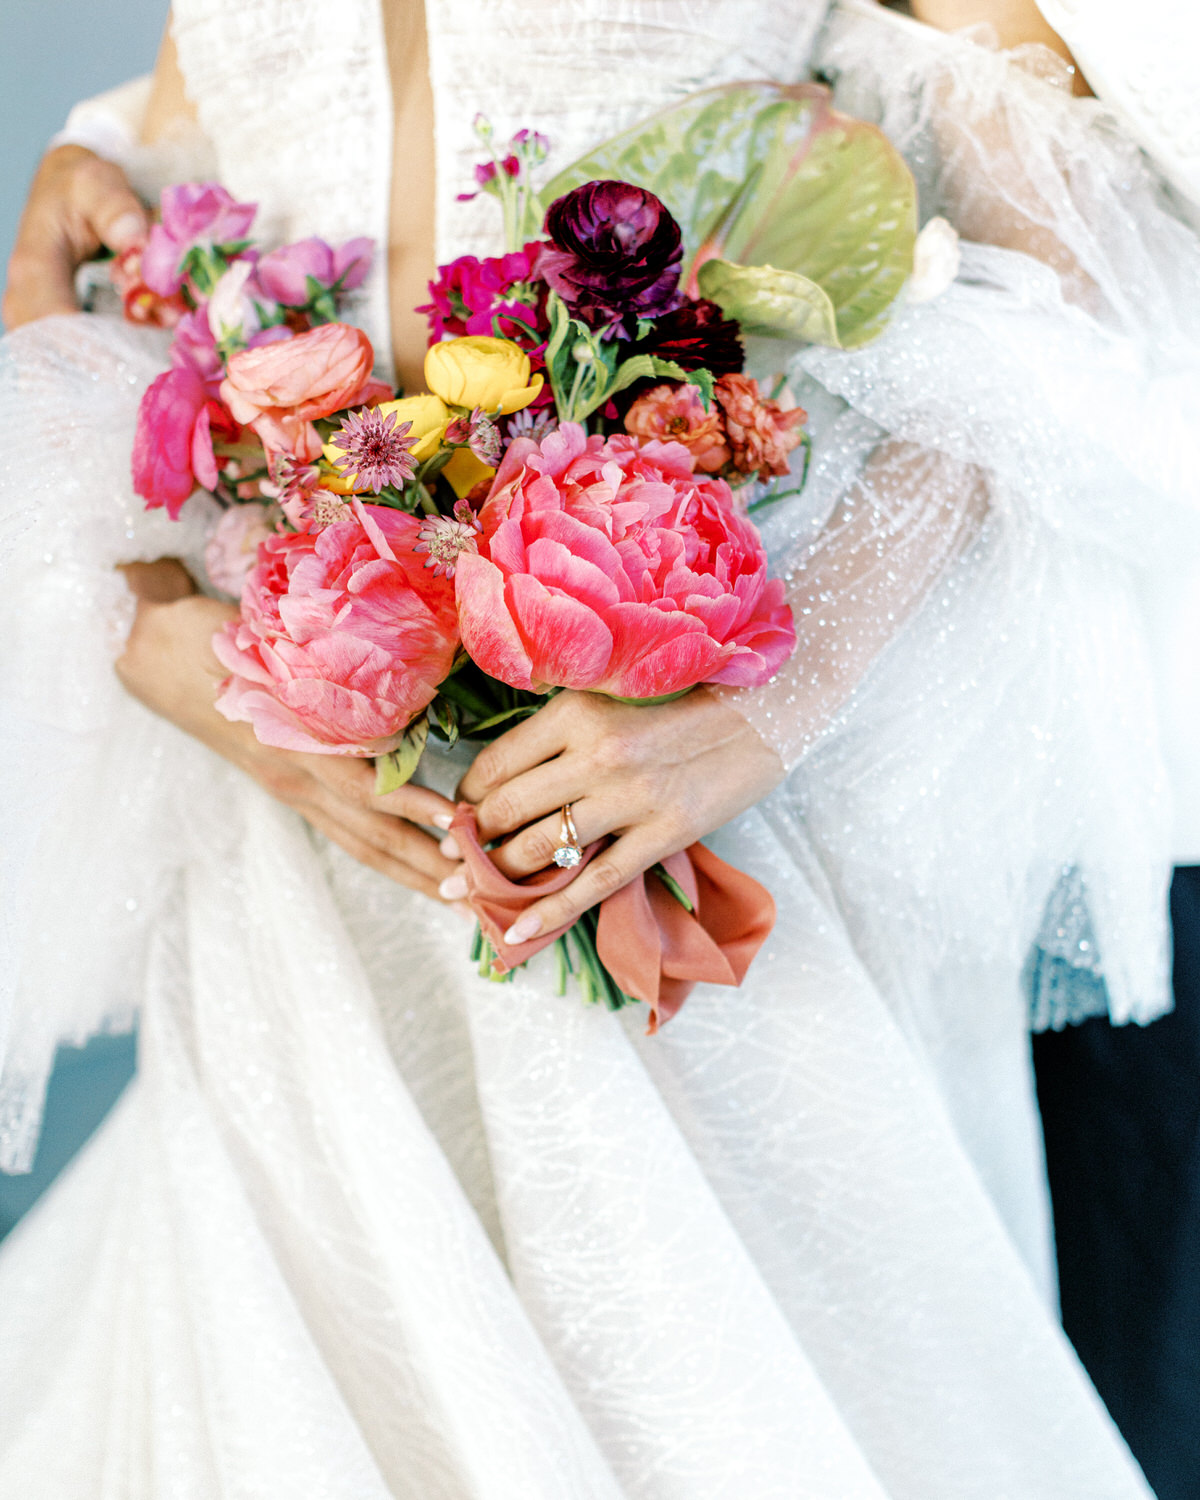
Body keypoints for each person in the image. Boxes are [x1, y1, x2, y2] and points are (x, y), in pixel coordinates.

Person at [0, 0, 1195, 1493]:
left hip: (699, 816)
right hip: (302, 812)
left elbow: (1059, 278)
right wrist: (147, 618)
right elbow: (131, 195)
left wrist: (765, 706)